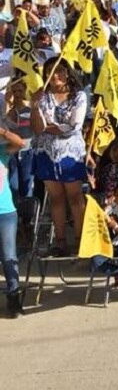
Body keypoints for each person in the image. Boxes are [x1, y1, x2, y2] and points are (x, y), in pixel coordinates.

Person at [30, 57, 88, 256]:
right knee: (55, 198)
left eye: (59, 71)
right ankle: (60, 241)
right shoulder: (42, 97)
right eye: (50, 72)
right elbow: (39, 129)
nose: (55, 75)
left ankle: (80, 240)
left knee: (75, 196)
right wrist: (35, 107)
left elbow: (74, 126)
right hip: (46, 153)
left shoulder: (78, 96)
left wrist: (50, 128)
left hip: (70, 154)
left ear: (67, 73)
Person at [1, 124, 25, 317]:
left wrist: (2, 131)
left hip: (5, 212)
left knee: (9, 256)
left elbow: (20, 143)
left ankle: (13, 296)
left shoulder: (2, 151)